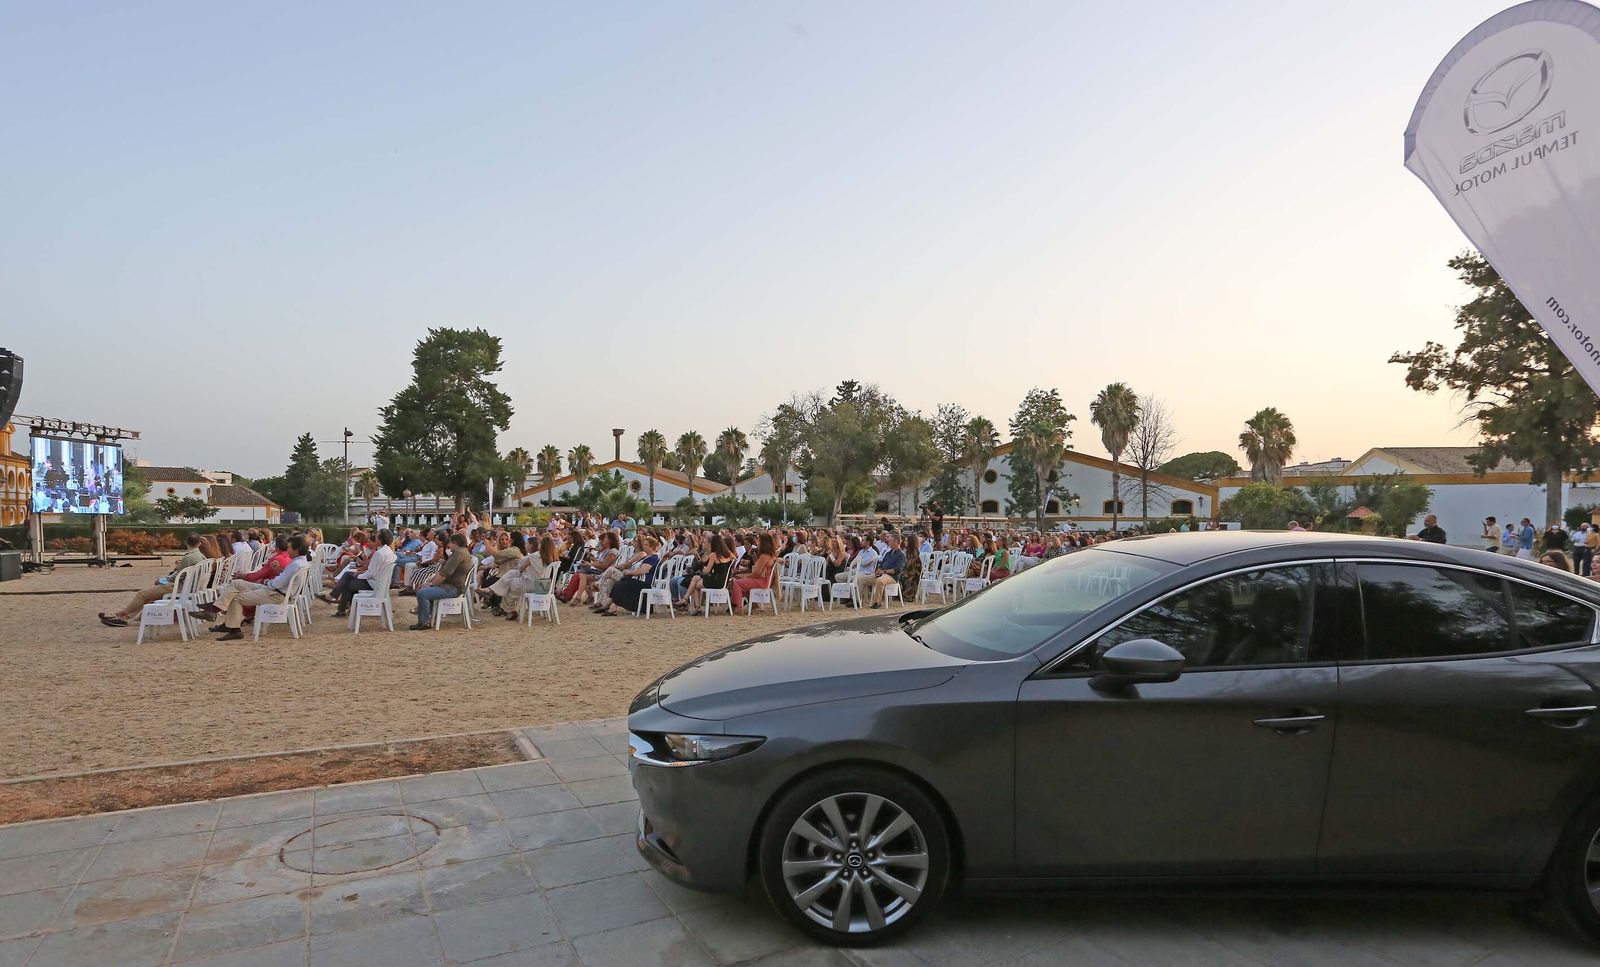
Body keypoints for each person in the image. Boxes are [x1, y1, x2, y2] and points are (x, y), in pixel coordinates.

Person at [200, 536, 312, 641]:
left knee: (235, 598)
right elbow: (288, 578)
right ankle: (214, 610)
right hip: (276, 591)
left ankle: (233, 629)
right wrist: (278, 571)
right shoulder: (300, 562)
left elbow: (277, 583)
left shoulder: (295, 564)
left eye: (289, 548)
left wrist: (268, 582)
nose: (287, 550)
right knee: (237, 583)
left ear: (296, 550)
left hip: (276, 594)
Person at [98, 533, 208, 627]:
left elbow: (178, 576)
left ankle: (122, 615)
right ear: (199, 543)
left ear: (186, 542)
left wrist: (163, 580)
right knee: (149, 595)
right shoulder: (202, 557)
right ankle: (123, 617)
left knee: (142, 594)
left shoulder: (188, 557)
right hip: (191, 587)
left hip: (180, 588)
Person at [410, 534, 472, 629]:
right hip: (452, 586)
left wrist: (430, 584)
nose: (448, 546)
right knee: (424, 590)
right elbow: (442, 572)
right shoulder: (462, 552)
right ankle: (426, 613)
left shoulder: (458, 554)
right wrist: (429, 582)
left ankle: (424, 622)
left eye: (450, 543)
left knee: (422, 593)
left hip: (453, 588)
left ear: (455, 543)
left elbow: (444, 574)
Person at [599, 536, 660, 616]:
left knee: (620, 584)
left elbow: (642, 571)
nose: (644, 546)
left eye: (646, 545)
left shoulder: (653, 558)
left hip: (645, 583)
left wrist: (629, 572)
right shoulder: (646, 557)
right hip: (637, 580)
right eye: (644, 544)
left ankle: (611, 606)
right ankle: (611, 606)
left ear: (652, 547)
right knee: (616, 582)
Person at [730, 533, 778, 611]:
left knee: (737, 583)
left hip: (763, 581)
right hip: (766, 580)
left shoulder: (764, 556)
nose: (758, 543)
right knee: (742, 583)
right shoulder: (770, 555)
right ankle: (753, 605)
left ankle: (738, 607)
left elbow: (756, 573)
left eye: (759, 541)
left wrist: (747, 577)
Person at [857, 533, 906, 609]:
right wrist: (878, 570)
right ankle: (858, 601)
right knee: (861, 579)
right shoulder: (888, 553)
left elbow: (898, 569)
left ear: (896, 542)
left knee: (880, 581)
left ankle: (877, 602)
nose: (889, 543)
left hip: (892, 577)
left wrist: (884, 572)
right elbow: (882, 564)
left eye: (891, 541)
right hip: (882, 574)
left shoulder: (901, 555)